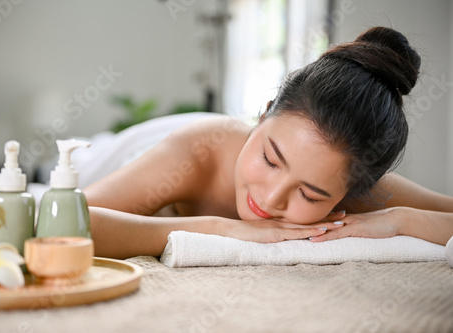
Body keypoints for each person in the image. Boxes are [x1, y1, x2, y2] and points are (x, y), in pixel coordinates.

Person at [84, 27, 453, 259]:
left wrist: (399, 220)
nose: (272, 198)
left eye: (310, 196)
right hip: (116, 153)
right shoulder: (199, 152)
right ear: (262, 117)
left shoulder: (350, 180)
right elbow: (57, 223)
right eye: (271, 159)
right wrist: (220, 228)